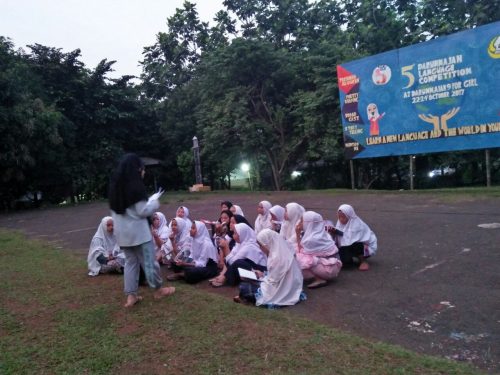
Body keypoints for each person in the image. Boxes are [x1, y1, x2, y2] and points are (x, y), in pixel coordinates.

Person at [108, 153, 175, 308]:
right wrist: (154, 203)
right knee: (149, 263)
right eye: (142, 169)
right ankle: (158, 290)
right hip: (139, 235)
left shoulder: (116, 188)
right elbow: (142, 210)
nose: (144, 172)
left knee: (130, 264)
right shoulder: (135, 187)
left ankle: (131, 296)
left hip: (123, 235)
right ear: (137, 169)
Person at [236, 229, 305, 308]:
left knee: (244, 286)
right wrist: (262, 275)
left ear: (268, 243)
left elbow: (273, 282)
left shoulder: (276, 258)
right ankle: (245, 296)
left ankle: (246, 297)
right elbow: (275, 276)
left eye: (261, 245)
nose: (260, 248)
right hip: (290, 288)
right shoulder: (284, 251)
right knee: (248, 283)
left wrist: (260, 278)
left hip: (280, 290)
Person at [210, 223, 267, 287]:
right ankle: (224, 276)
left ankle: (225, 278)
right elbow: (230, 259)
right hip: (252, 268)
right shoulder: (240, 244)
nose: (233, 236)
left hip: (262, 271)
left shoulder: (249, 246)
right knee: (237, 262)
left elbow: (232, 262)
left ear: (242, 234)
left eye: (235, 233)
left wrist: (226, 247)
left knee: (238, 263)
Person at [295, 211, 342, 289]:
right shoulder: (323, 233)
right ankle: (318, 276)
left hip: (328, 269)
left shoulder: (311, 239)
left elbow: (300, 251)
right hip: (333, 265)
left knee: (296, 259)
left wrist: (297, 233)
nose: (299, 223)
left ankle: (319, 279)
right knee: (297, 254)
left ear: (309, 223)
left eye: (302, 221)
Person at [331, 204, 378, 271]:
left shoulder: (357, 224)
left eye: (343, 217)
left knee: (355, 244)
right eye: (339, 217)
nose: (341, 219)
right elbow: (342, 236)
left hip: (364, 247)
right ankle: (349, 260)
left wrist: (337, 232)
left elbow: (351, 239)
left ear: (349, 216)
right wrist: (333, 232)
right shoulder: (340, 223)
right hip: (348, 245)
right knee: (346, 264)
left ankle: (363, 261)